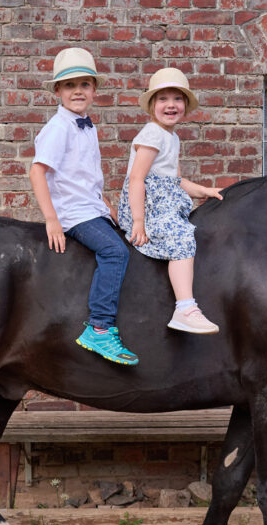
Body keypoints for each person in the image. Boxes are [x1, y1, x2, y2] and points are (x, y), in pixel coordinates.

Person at [29, 47, 139, 366]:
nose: (78, 91)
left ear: (94, 90)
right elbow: (38, 171)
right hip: (73, 214)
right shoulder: (59, 128)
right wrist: (52, 220)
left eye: (84, 84)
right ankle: (99, 328)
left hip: (91, 208)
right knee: (114, 252)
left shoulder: (86, 125)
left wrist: (109, 209)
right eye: (69, 85)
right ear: (57, 91)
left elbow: (84, 178)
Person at [118, 68, 223, 334]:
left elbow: (175, 181)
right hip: (145, 206)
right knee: (183, 237)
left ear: (185, 106)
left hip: (162, 200)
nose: (171, 105)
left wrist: (204, 190)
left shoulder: (171, 136)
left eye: (177, 99)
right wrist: (139, 222)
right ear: (152, 106)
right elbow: (136, 179)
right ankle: (185, 308)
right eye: (163, 99)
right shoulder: (152, 135)